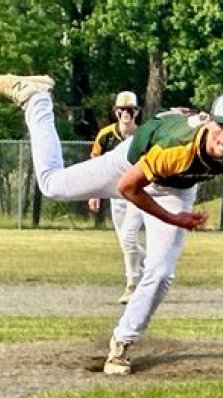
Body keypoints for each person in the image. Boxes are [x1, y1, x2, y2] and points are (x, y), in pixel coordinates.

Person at [0, 74, 223, 375]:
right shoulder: (176, 149)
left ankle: (122, 344)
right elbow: (128, 188)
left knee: (161, 273)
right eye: (221, 125)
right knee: (52, 185)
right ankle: (37, 98)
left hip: (177, 187)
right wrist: (174, 219)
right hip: (130, 165)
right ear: (209, 122)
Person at [87, 91, 146, 304]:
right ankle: (153, 268)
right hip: (116, 193)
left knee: (129, 237)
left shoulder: (144, 135)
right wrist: (94, 192)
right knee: (125, 242)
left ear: (137, 112)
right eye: (122, 109)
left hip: (138, 193)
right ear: (116, 112)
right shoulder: (106, 136)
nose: (126, 113)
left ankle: (132, 285)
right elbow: (96, 164)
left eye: (130, 109)